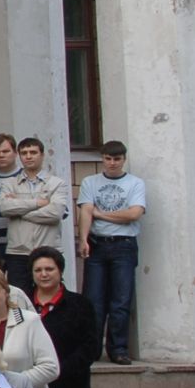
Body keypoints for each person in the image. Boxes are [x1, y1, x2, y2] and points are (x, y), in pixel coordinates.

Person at [75, 140, 146, 365]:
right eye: (108, 158)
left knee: (121, 300)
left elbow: (134, 213)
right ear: (102, 159)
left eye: (116, 159)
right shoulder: (90, 182)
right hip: (97, 244)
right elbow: (86, 211)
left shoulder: (135, 183)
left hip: (124, 245)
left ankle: (118, 349)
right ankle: (92, 349)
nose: (112, 163)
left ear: (123, 159)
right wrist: (83, 239)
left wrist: (101, 214)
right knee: (93, 300)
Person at [28, 247, 98, 388]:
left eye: (49, 269)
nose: (43, 274)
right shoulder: (22, 305)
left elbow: (90, 348)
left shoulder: (80, 305)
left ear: (60, 272)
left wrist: (57, 370)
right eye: (38, 270)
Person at [0, 137, 71, 293]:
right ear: (19, 156)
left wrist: (20, 211)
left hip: (48, 250)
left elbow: (55, 213)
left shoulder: (57, 183)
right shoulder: (9, 183)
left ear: (42, 155)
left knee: (50, 295)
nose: (28, 156)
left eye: (33, 152)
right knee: (19, 298)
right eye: (24, 153)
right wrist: (37, 203)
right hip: (18, 252)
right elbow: (5, 208)